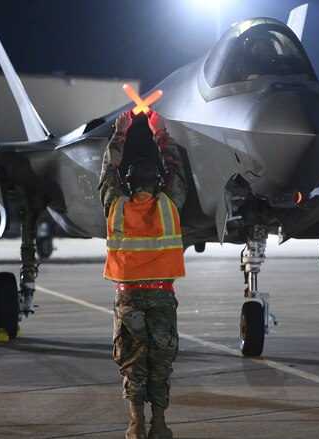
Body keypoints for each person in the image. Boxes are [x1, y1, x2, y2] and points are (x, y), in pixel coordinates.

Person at [98, 110, 187, 439]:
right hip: (162, 294)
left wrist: (120, 132)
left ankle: (135, 423)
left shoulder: (116, 206)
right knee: (161, 359)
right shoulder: (170, 205)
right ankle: (160, 423)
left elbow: (107, 171)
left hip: (128, 295)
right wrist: (159, 132)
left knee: (133, 359)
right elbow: (176, 169)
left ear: (128, 182)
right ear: (159, 181)